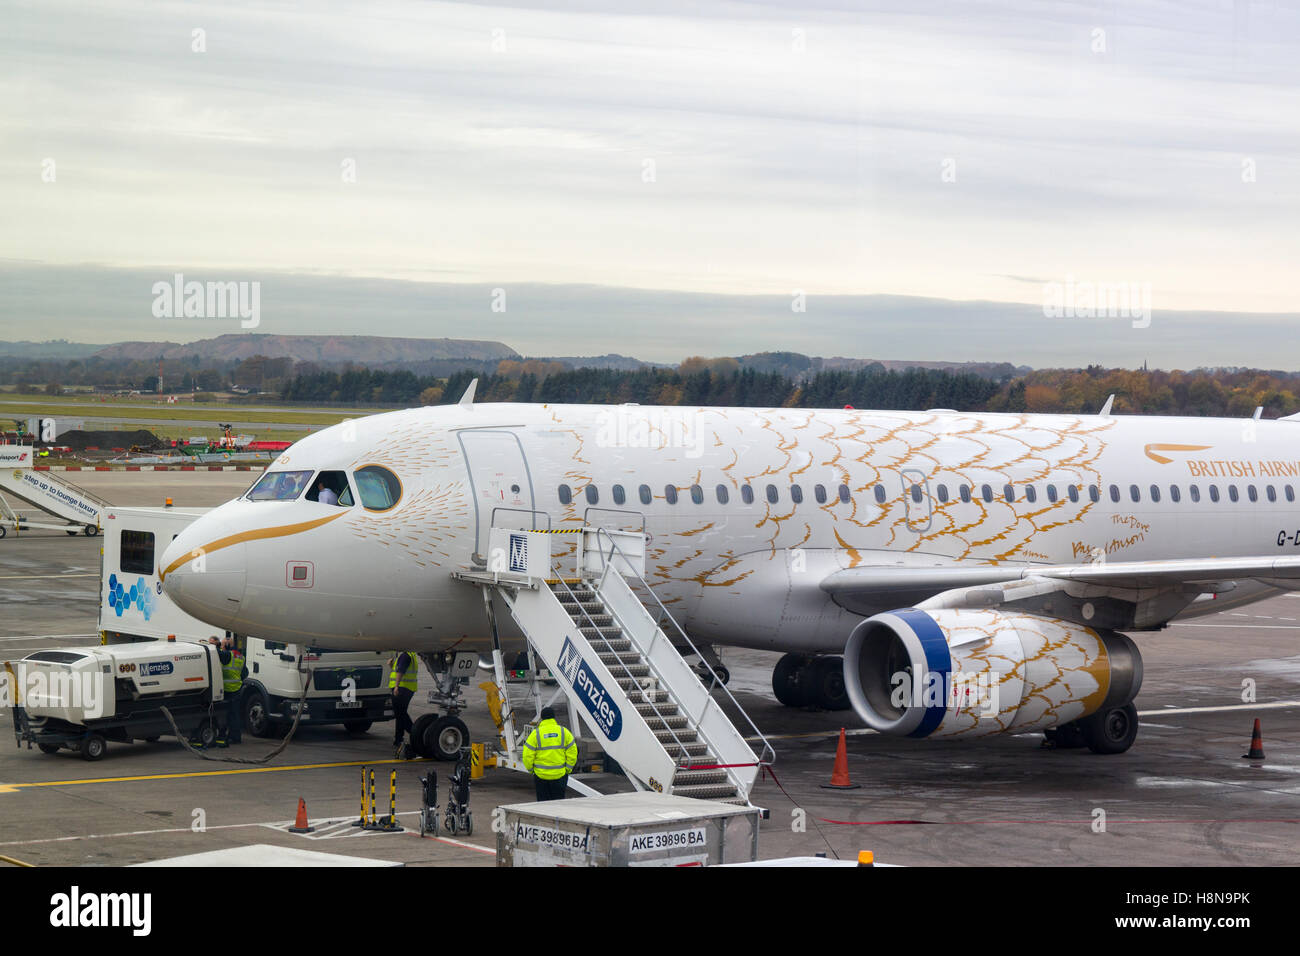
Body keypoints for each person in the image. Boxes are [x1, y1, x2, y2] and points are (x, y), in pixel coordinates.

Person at [522, 707, 577, 801]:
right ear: (553, 717)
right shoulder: (564, 732)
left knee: (543, 805)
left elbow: (527, 755)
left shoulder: (536, 734)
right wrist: (568, 768)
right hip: (560, 775)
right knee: (558, 804)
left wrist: (531, 770)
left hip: (541, 776)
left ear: (542, 718)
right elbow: (573, 752)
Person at [217, 636, 247, 746]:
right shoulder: (241, 656)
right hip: (237, 688)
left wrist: (214, 646)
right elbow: (245, 673)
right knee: (235, 714)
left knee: (227, 714)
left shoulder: (227, 654)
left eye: (223, 645)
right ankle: (236, 737)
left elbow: (217, 654)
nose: (222, 647)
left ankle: (225, 736)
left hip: (227, 689)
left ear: (227, 646)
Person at [389, 651, 419, 758]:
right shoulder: (411, 654)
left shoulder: (405, 655)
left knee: (400, 714)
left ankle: (415, 732)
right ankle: (398, 738)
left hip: (402, 688)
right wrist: (391, 666)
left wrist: (396, 686)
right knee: (401, 713)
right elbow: (400, 669)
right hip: (408, 688)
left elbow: (400, 671)